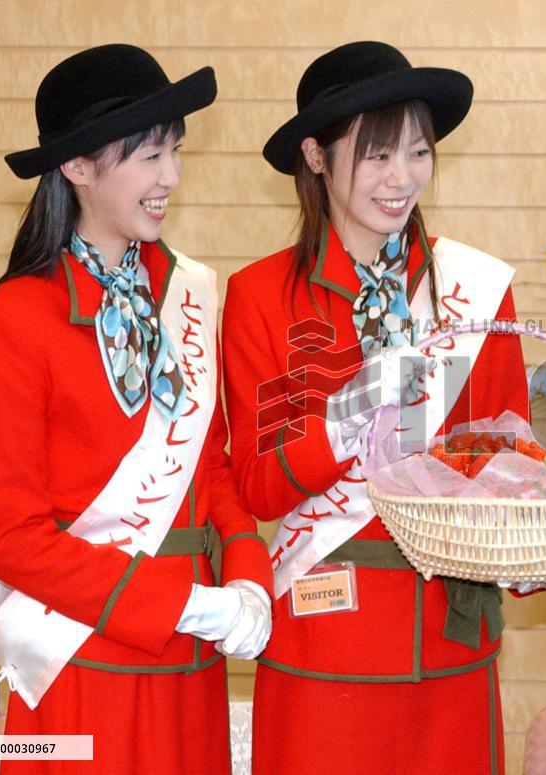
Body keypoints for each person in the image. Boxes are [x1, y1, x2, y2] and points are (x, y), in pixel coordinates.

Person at [222, 41, 529, 775]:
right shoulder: (261, 296)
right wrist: (349, 418)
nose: (402, 179)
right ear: (316, 156)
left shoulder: (476, 290)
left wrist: (529, 530)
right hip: (321, 649)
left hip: (448, 646)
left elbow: (511, 457)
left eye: (418, 153)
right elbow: (258, 486)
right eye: (378, 155)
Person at [0, 44, 273, 773]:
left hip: (191, 668)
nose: (171, 177)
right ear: (77, 166)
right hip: (82, 666)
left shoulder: (186, 294)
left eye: (176, 151)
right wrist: (181, 604)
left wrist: (248, 574)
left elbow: (213, 470)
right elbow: (10, 537)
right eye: (149, 156)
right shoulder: (12, 321)